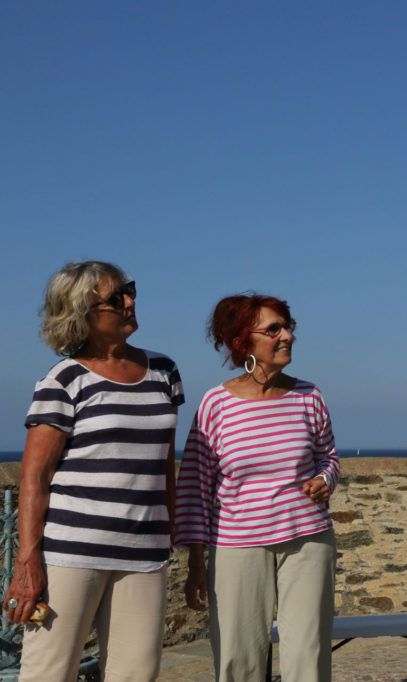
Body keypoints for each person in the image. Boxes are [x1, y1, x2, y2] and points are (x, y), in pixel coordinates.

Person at [5, 261, 183, 681]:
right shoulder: (63, 380)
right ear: (81, 313)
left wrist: (172, 532)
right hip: (70, 554)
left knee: (136, 675)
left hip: (144, 553)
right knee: (48, 674)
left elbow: (163, 465)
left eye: (130, 290)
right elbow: (35, 476)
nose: (130, 302)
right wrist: (27, 561)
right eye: (116, 297)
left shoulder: (164, 372)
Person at [174, 294, 340, 682]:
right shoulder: (216, 405)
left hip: (309, 540)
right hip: (236, 545)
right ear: (241, 342)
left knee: (308, 658)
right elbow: (195, 487)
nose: (287, 336)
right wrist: (196, 562)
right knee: (239, 659)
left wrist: (324, 480)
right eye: (273, 329)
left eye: (287, 327)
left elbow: (328, 458)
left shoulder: (309, 396)